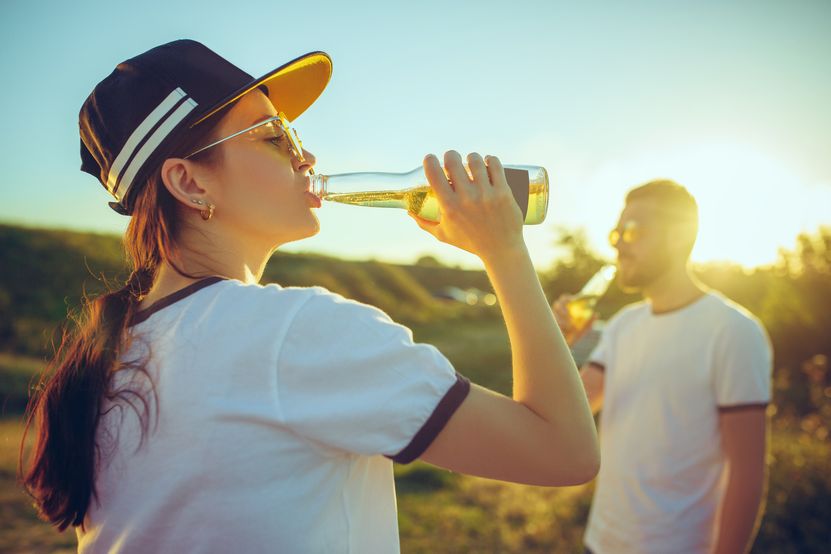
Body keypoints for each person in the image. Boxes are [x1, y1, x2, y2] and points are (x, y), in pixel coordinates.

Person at [21, 40, 599, 553]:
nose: (307, 156)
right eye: (274, 137)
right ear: (190, 182)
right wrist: (505, 252)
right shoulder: (292, 330)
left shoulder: (112, 352)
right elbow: (564, 452)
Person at [552, 180, 773, 554]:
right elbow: (571, 410)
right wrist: (556, 344)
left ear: (678, 237)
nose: (618, 243)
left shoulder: (734, 331)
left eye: (632, 231)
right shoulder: (624, 324)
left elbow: (747, 474)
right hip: (602, 541)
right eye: (616, 232)